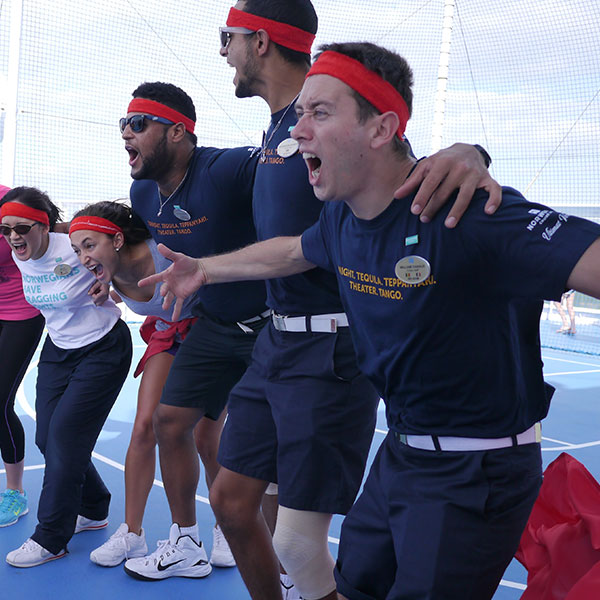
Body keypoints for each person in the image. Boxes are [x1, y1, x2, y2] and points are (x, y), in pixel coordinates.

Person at [142, 41, 600, 600]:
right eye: (300, 113)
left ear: (381, 130)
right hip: (401, 455)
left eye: (320, 113)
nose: (298, 132)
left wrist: (473, 153)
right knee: (343, 582)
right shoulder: (342, 220)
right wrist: (206, 271)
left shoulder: (468, 214)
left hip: (475, 473)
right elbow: (291, 252)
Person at [119, 81, 268, 578]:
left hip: (274, 327)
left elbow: (292, 166)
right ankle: (186, 541)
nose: (126, 133)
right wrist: (100, 276)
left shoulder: (226, 169)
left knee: (259, 444)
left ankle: (282, 560)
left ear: (178, 132)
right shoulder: (142, 193)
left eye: (138, 123)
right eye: (123, 124)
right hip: (216, 323)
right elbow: (138, 262)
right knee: (169, 421)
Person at [1, 187, 132, 568]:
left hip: (103, 347)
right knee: (46, 437)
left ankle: (50, 537)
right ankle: (93, 507)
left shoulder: (72, 245)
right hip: (59, 349)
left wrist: (113, 285)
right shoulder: (18, 250)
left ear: (44, 226)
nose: (13, 237)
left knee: (65, 439)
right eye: (5, 229)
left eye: (22, 228)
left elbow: (126, 254)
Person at [68, 200, 201, 567]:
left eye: (89, 246)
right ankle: (132, 533)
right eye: (77, 250)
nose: (82, 257)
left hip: (211, 332)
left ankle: (223, 529)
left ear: (117, 239)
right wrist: (110, 289)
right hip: (168, 335)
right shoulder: (105, 271)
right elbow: (65, 233)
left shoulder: (162, 250)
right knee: (144, 426)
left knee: (207, 436)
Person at [0, 185, 45, 528]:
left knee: (0, 401)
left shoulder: (7, 200)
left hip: (22, 310)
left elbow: (55, 229)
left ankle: (14, 491)